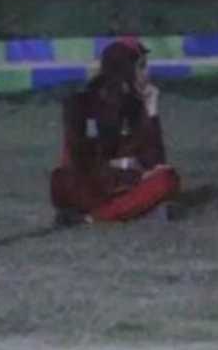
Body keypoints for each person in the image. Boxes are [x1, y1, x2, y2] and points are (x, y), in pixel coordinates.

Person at [50, 37, 181, 224]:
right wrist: (131, 174)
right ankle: (124, 211)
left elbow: (155, 163)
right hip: (91, 186)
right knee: (62, 180)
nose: (147, 73)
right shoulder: (83, 104)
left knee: (168, 179)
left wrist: (152, 110)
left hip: (124, 187)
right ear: (125, 70)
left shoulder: (137, 105)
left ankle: (94, 218)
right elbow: (83, 161)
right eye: (141, 66)